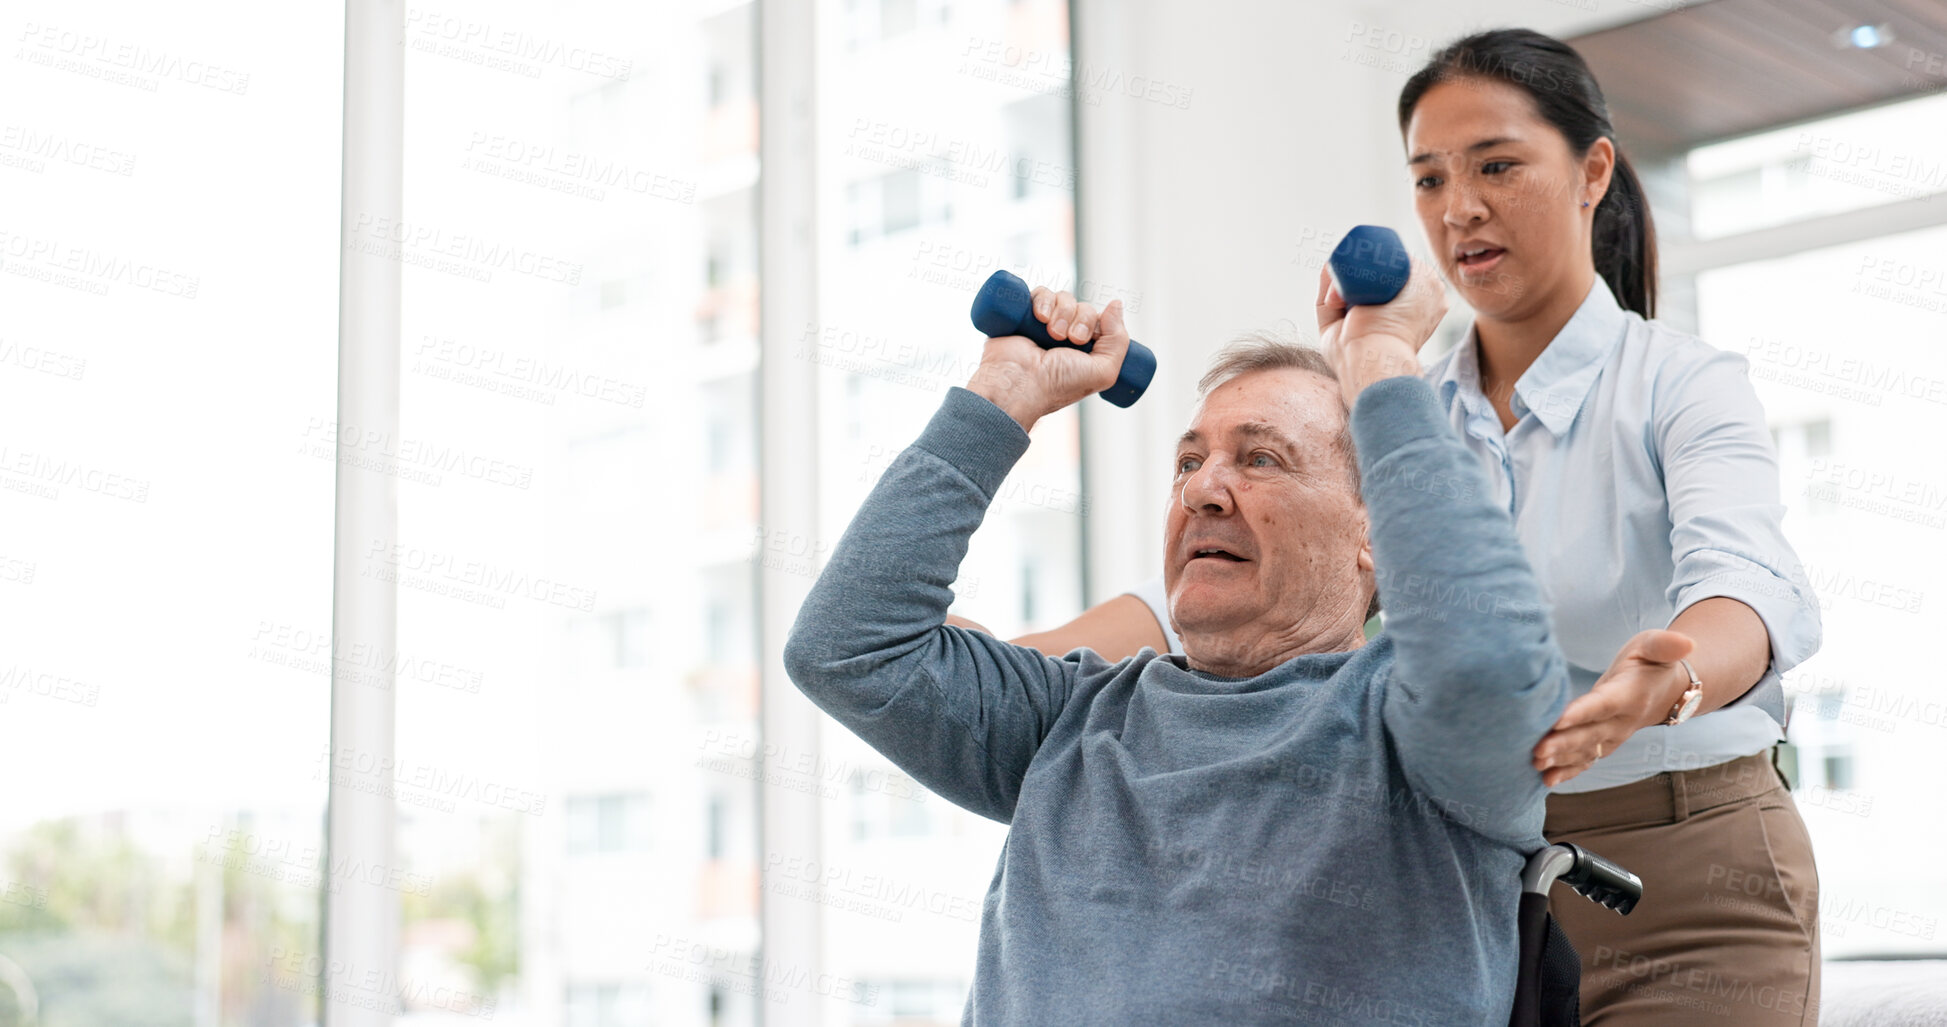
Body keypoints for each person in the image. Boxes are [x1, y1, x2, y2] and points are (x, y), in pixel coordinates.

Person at [979, 28, 1824, 1026]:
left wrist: (1668, 682)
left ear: (1593, 171)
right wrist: (1017, 688)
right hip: (1463, 869)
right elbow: (1268, 576)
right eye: (1429, 180)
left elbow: (1748, 587)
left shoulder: (1681, 384)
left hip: (1687, 874)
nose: (1459, 208)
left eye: (1497, 166)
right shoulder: (1396, 402)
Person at [786, 264, 1581, 1024]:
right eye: (1189, 462)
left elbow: (1485, 660)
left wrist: (1379, 360)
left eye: (1261, 458)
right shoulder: (1071, 716)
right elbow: (848, 646)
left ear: (1373, 528)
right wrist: (1003, 396)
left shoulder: (1413, 730)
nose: (1201, 489)